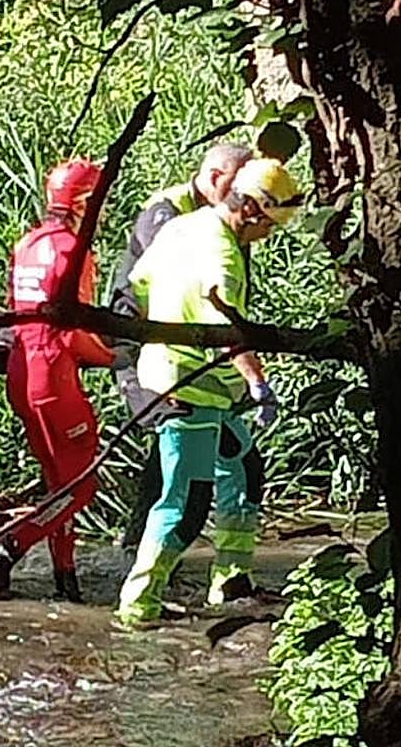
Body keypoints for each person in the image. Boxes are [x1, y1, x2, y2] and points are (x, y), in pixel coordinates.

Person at [115, 158, 302, 628]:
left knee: (244, 472)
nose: (267, 238)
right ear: (255, 212)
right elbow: (230, 332)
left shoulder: (182, 228)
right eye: (270, 228)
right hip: (186, 390)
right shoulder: (222, 255)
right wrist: (260, 384)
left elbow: (139, 285)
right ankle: (139, 605)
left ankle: (231, 581)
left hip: (201, 387)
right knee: (185, 501)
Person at [0, 159, 117, 603]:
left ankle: (65, 581)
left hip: (20, 371)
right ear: (84, 203)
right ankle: (5, 554)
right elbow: (72, 331)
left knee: (59, 486)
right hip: (54, 378)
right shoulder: (75, 249)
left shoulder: (28, 243)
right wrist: (112, 357)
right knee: (82, 485)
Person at [107, 143, 258, 551]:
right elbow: (165, 291)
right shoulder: (169, 213)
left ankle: (221, 581)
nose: (246, 199)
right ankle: (138, 576)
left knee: (227, 465)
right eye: (238, 186)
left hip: (197, 360)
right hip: (149, 354)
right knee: (182, 477)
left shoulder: (227, 215)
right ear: (214, 177)